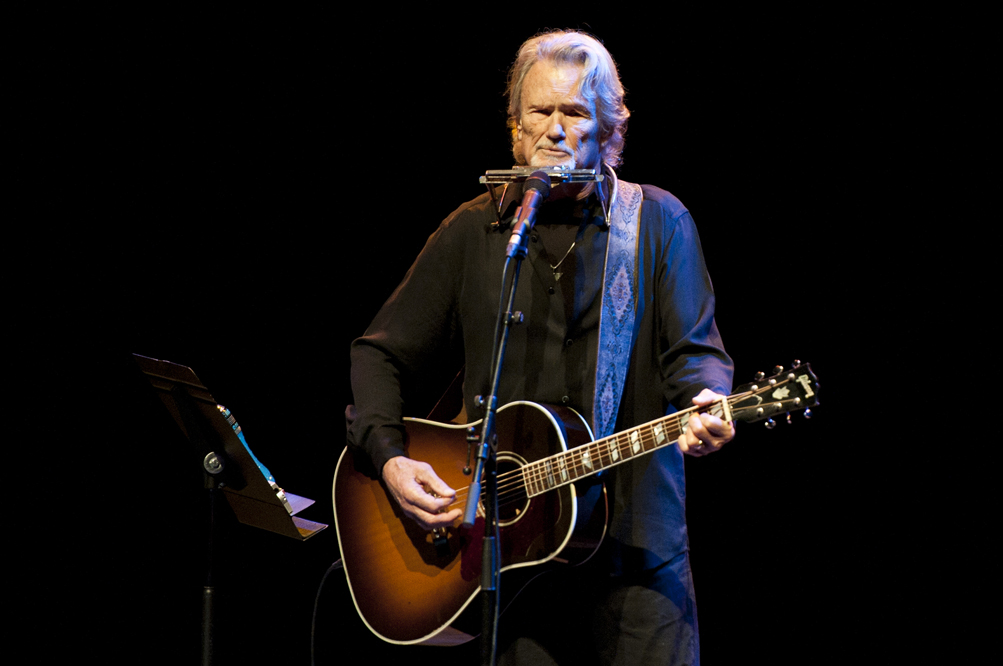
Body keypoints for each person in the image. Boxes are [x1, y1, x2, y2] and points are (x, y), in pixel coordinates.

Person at [346, 30, 734, 665]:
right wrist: (389, 458)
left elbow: (695, 353)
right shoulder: (478, 229)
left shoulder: (659, 223)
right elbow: (380, 354)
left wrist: (706, 400)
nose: (556, 130)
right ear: (515, 130)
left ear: (608, 130)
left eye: (576, 112)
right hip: (512, 564)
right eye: (540, 112)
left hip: (637, 561)